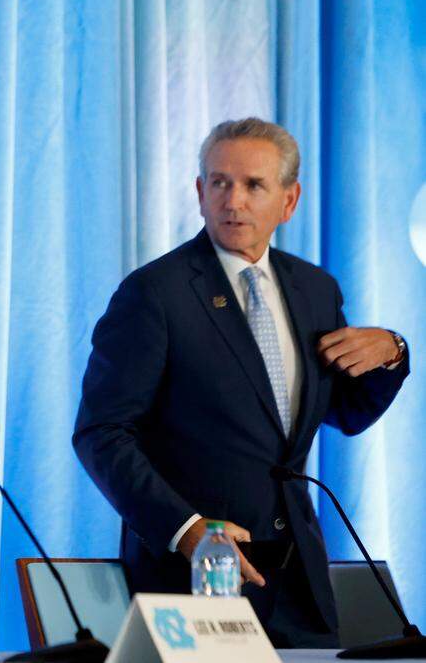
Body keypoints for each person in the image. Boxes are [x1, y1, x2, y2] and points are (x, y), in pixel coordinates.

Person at [73, 118, 409, 648]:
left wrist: (394, 354)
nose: (234, 200)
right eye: (219, 182)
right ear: (199, 192)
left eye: (254, 185)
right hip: (195, 584)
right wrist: (186, 531)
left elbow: (342, 414)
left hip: (298, 584)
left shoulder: (316, 289)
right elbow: (101, 432)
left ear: (289, 200)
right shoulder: (154, 294)